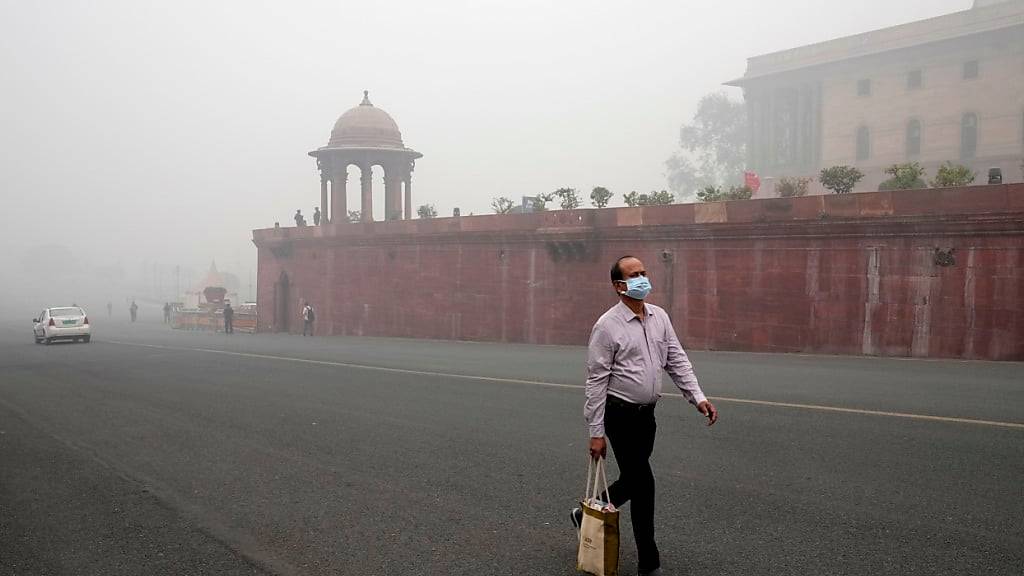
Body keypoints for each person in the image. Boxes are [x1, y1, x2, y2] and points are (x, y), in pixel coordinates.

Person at [574, 255, 718, 576]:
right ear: (619, 286)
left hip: (647, 419)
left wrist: (698, 397)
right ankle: (649, 564)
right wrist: (596, 432)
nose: (642, 278)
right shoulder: (607, 327)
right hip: (619, 416)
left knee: (633, 480)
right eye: (634, 275)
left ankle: (585, 514)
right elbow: (596, 381)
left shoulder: (659, 318)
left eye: (644, 272)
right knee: (644, 485)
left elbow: (676, 360)